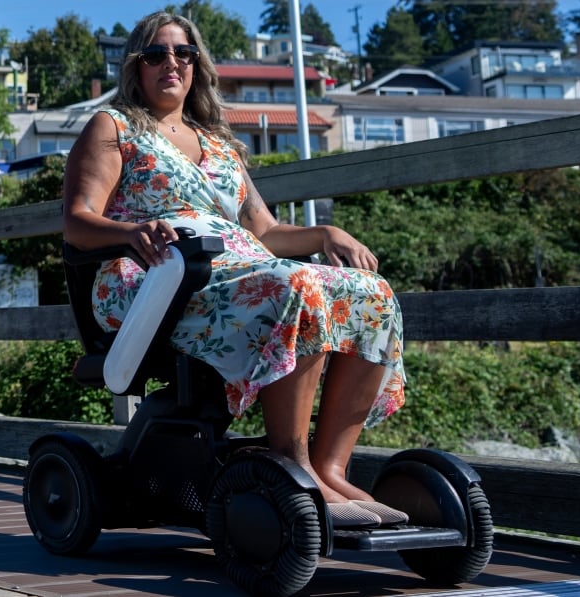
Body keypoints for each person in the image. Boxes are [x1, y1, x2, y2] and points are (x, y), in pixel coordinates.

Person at [62, 11, 407, 528]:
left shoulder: (220, 144)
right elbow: (77, 222)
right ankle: (292, 465)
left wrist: (326, 235)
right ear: (137, 66)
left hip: (240, 269)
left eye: (184, 53)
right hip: (157, 275)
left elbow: (264, 232)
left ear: (197, 66)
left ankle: (330, 467)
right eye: (156, 53)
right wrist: (131, 233)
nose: (171, 62)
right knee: (296, 284)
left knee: (372, 293)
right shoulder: (114, 127)